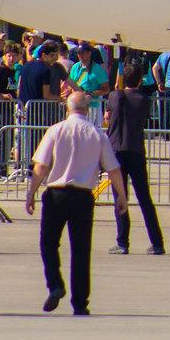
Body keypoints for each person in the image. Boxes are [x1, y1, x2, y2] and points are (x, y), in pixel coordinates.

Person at [26, 90, 127, 316]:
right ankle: (80, 302)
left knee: (48, 243)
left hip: (56, 194)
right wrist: (122, 195)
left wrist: (31, 191)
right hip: (83, 196)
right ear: (88, 109)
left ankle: (55, 283)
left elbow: (41, 165)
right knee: (81, 249)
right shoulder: (96, 134)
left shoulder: (56, 130)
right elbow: (113, 168)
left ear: (67, 107)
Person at [103, 63, 164, 254]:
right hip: (136, 149)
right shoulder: (143, 100)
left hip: (117, 150)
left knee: (120, 196)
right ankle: (157, 241)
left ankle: (122, 241)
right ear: (139, 80)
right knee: (145, 198)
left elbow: (108, 117)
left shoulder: (115, 96)